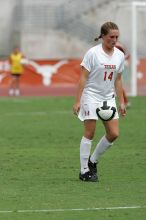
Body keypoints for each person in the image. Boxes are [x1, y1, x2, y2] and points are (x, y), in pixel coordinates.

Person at [73, 21, 126, 182]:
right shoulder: (93, 53)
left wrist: (122, 101)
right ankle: (83, 171)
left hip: (107, 98)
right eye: (111, 36)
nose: (114, 40)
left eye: (116, 37)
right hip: (90, 96)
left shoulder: (119, 55)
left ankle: (93, 161)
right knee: (90, 132)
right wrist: (78, 100)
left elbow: (118, 80)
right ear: (103, 36)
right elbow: (83, 77)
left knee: (114, 133)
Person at [115, 42, 131, 108]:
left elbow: (127, 55)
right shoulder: (105, 45)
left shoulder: (118, 45)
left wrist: (122, 60)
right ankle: (125, 102)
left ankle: (125, 102)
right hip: (108, 65)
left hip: (117, 66)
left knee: (117, 83)